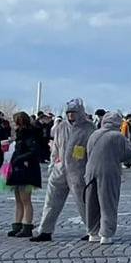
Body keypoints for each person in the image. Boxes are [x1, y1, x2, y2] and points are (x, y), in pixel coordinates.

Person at [30, 100, 95, 242]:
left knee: (83, 202)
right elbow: (56, 148)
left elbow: (92, 151)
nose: (71, 115)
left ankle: (92, 230)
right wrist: (53, 164)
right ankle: (45, 230)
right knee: (51, 201)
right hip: (60, 170)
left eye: (74, 112)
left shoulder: (89, 128)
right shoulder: (61, 127)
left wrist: (90, 170)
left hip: (78, 171)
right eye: (68, 113)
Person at [82, 111, 131, 245]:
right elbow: (130, 154)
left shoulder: (94, 134)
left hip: (90, 171)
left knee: (91, 202)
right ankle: (106, 234)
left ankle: (93, 232)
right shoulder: (118, 136)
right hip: (109, 171)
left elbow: (87, 151)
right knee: (108, 202)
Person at [3, 111, 46, 237]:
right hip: (18, 169)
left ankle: (27, 225)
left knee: (25, 200)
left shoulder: (29, 135)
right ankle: (18, 224)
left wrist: (18, 159)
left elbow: (34, 151)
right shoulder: (21, 135)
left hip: (26, 170)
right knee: (18, 200)